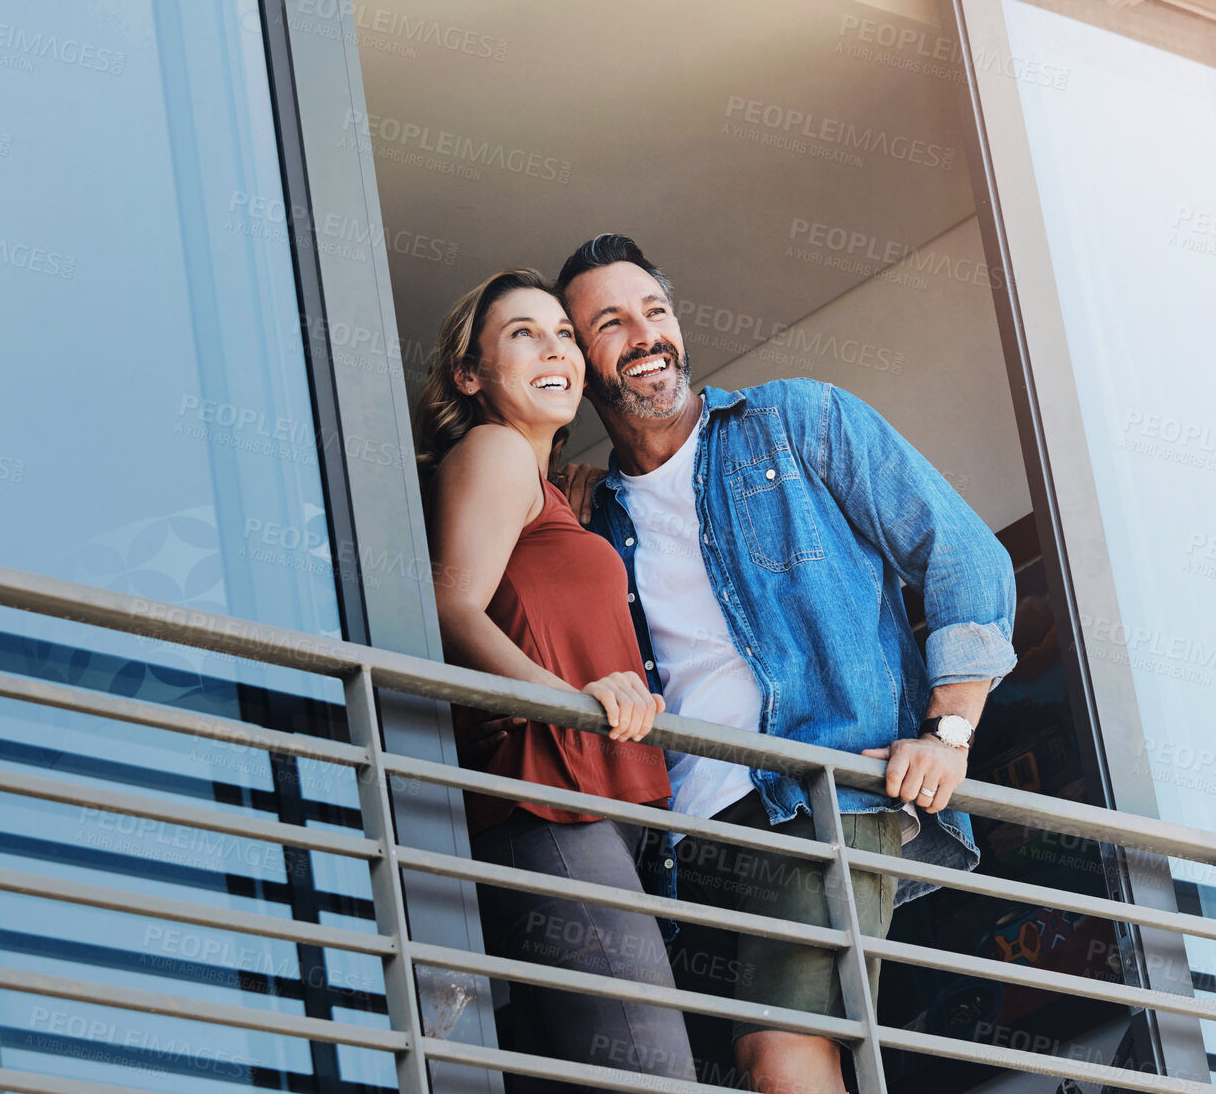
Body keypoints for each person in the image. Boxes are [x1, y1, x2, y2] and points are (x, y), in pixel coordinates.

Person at [554, 234, 1017, 1094]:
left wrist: (947, 734)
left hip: (822, 793)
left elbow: (965, 558)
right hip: (678, 837)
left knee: (783, 1057)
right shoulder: (592, 515)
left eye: (654, 310)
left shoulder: (800, 419)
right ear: (578, 360)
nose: (645, 335)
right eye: (611, 323)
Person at [414, 268, 695, 1090]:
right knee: (653, 1068)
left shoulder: (553, 494)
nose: (555, 349)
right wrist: (565, 701)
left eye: (564, 334)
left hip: (582, 801)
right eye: (523, 334)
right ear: (471, 377)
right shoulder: (494, 448)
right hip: (541, 797)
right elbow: (451, 606)